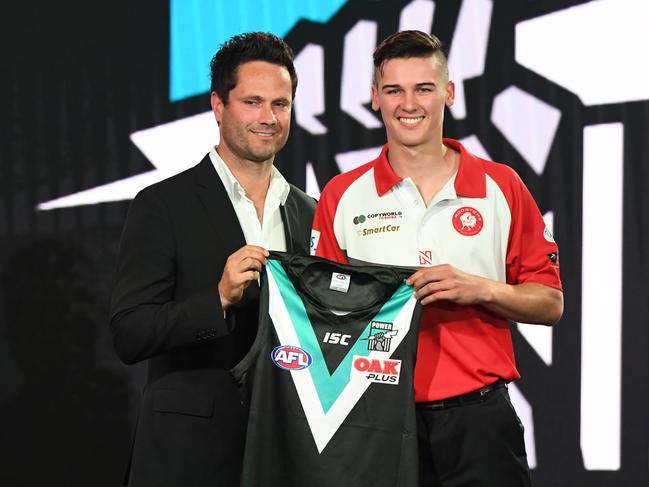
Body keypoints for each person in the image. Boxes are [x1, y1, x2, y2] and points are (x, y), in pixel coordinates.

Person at [311, 30, 563, 487]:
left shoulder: (500, 186)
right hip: (377, 417)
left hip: (479, 419)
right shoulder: (342, 196)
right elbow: (320, 319)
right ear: (375, 99)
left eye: (424, 88)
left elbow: (550, 303)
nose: (410, 103)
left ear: (448, 92)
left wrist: (481, 288)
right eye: (394, 90)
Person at [110, 32, 315, 486]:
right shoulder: (163, 204)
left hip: (288, 453)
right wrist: (218, 299)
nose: (269, 118)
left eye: (280, 104)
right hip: (188, 455)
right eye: (253, 102)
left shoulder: (311, 213)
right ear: (218, 105)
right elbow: (129, 333)